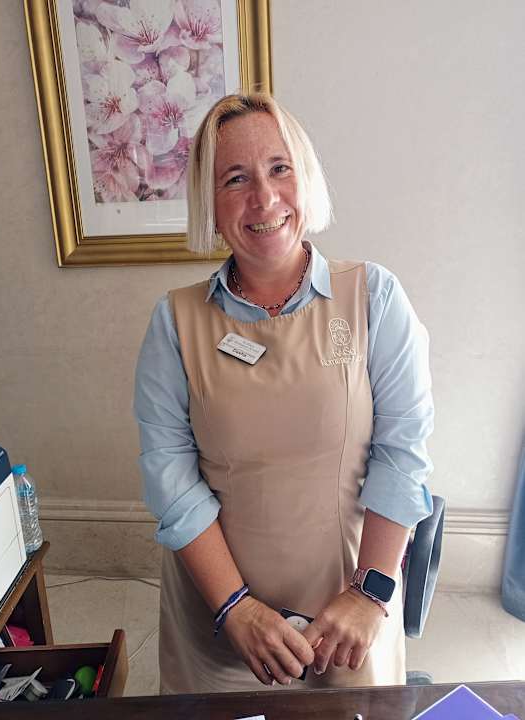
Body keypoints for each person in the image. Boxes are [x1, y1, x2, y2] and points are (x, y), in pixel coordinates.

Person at [134, 93, 434, 694]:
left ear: (307, 178)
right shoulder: (174, 323)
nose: (264, 198)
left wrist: (370, 594)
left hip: (349, 614)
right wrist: (236, 608)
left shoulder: (373, 297)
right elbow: (171, 479)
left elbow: (402, 455)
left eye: (279, 169)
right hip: (220, 624)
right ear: (209, 204)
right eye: (235, 179)